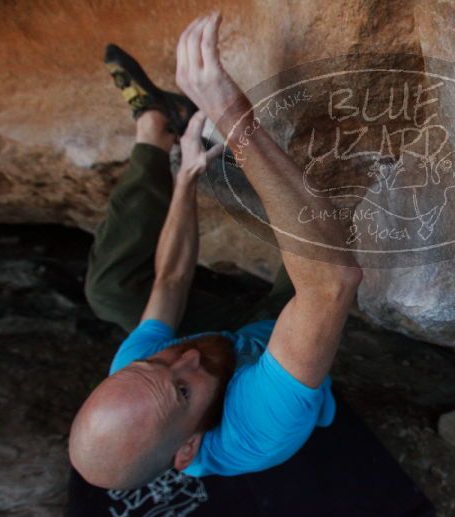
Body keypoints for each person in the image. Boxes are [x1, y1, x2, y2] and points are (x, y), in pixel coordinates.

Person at [69, 12, 362, 490]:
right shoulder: (259, 429)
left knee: (108, 292)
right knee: (327, 225)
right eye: (181, 388)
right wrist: (229, 113)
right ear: (187, 450)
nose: (184, 357)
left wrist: (186, 177)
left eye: (155, 361)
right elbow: (332, 283)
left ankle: (157, 125)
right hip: (276, 336)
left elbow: (170, 281)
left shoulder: (138, 378)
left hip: (237, 336)